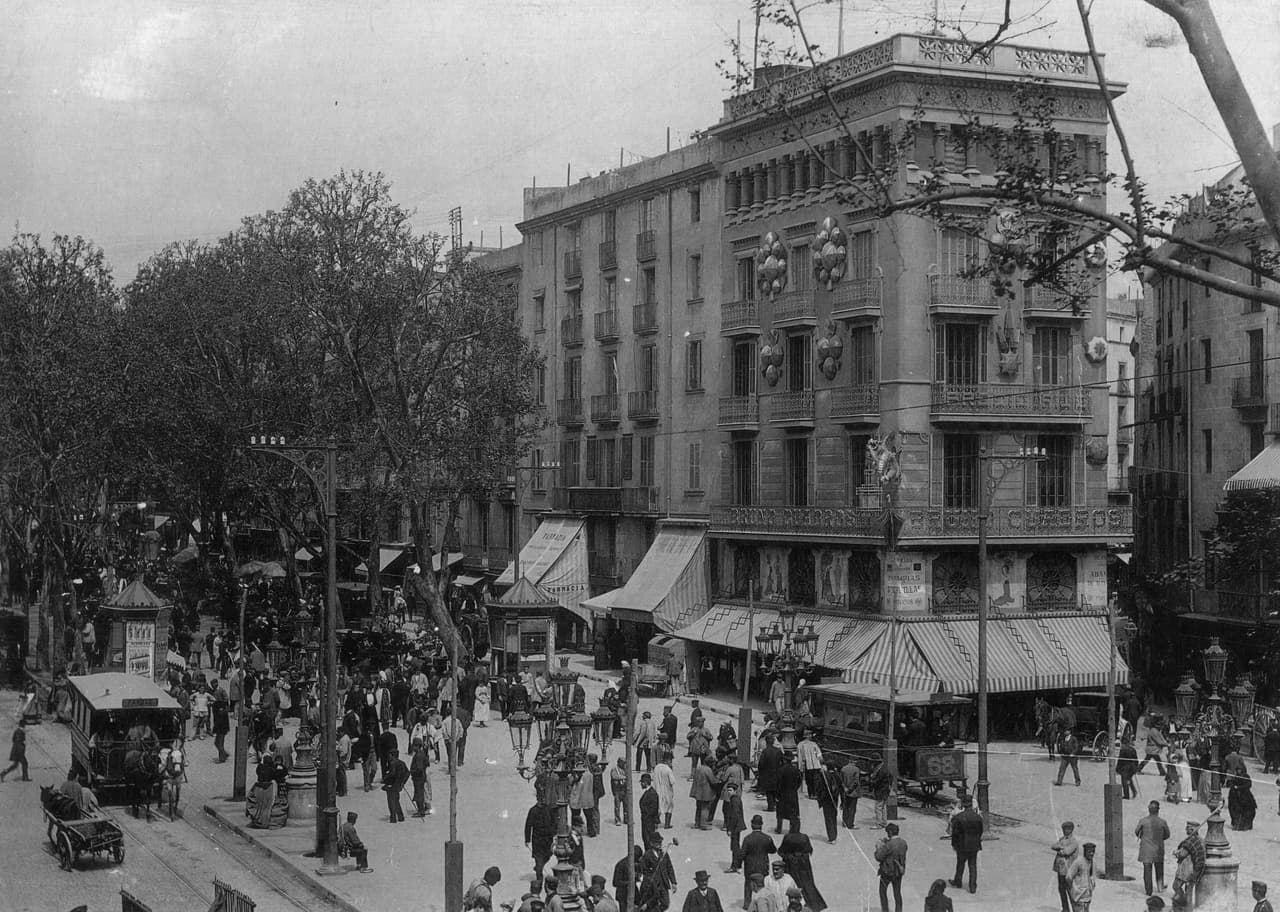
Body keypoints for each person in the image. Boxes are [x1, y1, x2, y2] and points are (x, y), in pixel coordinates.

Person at [778, 826, 825, 912]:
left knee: (791, 883)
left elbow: (781, 851)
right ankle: (812, 904)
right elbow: (809, 850)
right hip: (803, 864)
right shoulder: (804, 837)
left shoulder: (787, 837)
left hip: (790, 864)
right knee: (807, 883)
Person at [740, 815, 777, 910]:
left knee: (748, 884)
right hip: (763, 865)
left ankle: (747, 904)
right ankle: (763, 904)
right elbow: (773, 850)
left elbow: (742, 853)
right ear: (761, 825)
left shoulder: (747, 838)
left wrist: (739, 864)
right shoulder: (767, 838)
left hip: (750, 866)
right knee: (762, 885)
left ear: (752, 824)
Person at [949, 793, 983, 894]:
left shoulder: (958, 817)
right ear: (971, 805)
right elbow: (980, 831)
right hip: (974, 845)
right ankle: (972, 886)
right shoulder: (978, 817)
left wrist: (954, 845)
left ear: (963, 804)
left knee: (960, 863)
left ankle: (958, 881)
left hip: (962, 845)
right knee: (972, 865)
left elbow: (955, 833)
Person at [1135, 800, 1171, 896]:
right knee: (1159, 868)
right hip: (1158, 849)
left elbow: (1136, 831)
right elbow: (1167, 834)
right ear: (1158, 810)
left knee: (1147, 870)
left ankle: (1148, 891)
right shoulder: (1162, 822)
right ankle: (1160, 887)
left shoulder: (1143, 821)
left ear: (1149, 810)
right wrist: (1160, 838)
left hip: (1146, 849)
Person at [873, 822, 907, 912]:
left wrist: (878, 848)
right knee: (897, 893)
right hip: (898, 871)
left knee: (882, 892)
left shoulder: (888, 845)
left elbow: (879, 857)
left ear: (890, 832)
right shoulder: (903, 843)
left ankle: (885, 910)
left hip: (887, 872)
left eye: (888, 833)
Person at [639, 832, 677, 912]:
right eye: (657, 842)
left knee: (666, 903)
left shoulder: (664, 854)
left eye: (660, 842)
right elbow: (643, 870)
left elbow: (669, 868)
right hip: (653, 884)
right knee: (653, 902)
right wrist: (650, 875)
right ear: (651, 843)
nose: (659, 844)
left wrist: (673, 882)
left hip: (663, 883)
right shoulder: (647, 855)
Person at [526, 794, 557, 883]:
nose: (543, 801)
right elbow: (528, 825)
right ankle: (539, 879)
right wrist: (527, 839)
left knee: (548, 855)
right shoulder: (533, 810)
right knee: (538, 858)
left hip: (548, 839)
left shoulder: (549, 809)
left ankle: (539, 866)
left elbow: (554, 822)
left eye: (544, 799)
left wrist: (554, 833)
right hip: (537, 840)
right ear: (538, 799)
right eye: (541, 799)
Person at [1050, 821, 1080, 912]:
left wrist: (1060, 848)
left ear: (1071, 830)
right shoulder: (1062, 839)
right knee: (1061, 889)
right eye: (1064, 829)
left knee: (1070, 891)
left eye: (1067, 829)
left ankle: (1076, 909)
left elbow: (1067, 852)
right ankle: (1065, 909)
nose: (1065, 831)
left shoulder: (1073, 841)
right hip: (1061, 870)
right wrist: (1061, 847)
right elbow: (1053, 846)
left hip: (1069, 870)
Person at [775, 754, 802, 835]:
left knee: (780, 812)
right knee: (793, 812)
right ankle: (793, 829)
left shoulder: (781, 770)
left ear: (784, 760)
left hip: (783, 793)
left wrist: (777, 794)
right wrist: (795, 788)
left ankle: (779, 828)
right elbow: (799, 781)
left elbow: (778, 783)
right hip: (793, 793)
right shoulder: (796, 770)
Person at [1066, 842, 1097, 912]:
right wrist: (1074, 890)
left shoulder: (1093, 862)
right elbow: (1068, 877)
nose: (1092, 854)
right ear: (1085, 852)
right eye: (1089, 852)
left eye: (1093, 852)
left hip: (1088, 897)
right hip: (1079, 897)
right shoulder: (1078, 862)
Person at [756, 734, 783, 812]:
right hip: (777, 773)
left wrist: (760, 772)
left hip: (767, 774)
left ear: (767, 742)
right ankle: (775, 804)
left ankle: (770, 806)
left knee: (769, 791)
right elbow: (782, 762)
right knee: (775, 790)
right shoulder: (778, 751)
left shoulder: (765, 751)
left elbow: (761, 763)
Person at [815, 762, 841, 843]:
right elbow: (841, 787)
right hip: (835, 799)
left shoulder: (824, 775)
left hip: (826, 799)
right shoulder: (837, 775)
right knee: (833, 817)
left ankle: (832, 837)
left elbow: (818, 786)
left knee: (828, 818)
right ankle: (834, 835)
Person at [722, 782, 746, 872]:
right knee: (735, 846)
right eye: (728, 790)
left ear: (735, 791)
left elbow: (734, 816)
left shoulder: (734, 800)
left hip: (735, 827)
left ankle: (734, 866)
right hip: (737, 826)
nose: (728, 792)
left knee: (734, 847)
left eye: (730, 790)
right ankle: (737, 864)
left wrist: (730, 829)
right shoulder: (736, 799)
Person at [382, 747, 409, 822]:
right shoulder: (402, 763)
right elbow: (407, 773)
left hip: (392, 785)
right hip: (398, 785)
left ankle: (393, 818)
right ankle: (400, 817)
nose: (388, 756)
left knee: (391, 802)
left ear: (392, 755)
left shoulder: (393, 763)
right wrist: (403, 782)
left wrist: (385, 778)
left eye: (389, 755)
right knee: (396, 801)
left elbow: (392, 773)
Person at [690, 755, 717, 830]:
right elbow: (712, 781)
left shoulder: (699, 768)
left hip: (697, 791)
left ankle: (697, 823)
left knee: (698, 807)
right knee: (705, 808)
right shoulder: (708, 770)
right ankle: (704, 824)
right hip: (705, 792)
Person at [614, 845, 643, 912]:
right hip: (623, 895)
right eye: (638, 858)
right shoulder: (621, 865)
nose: (639, 860)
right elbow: (615, 882)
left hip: (634, 892)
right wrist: (629, 882)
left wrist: (638, 875)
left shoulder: (637, 864)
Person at [653, 750, 677, 830]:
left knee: (658, 807)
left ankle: (655, 824)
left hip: (657, 790)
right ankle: (667, 824)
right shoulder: (668, 770)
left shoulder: (657, 767)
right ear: (668, 760)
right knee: (669, 807)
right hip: (667, 791)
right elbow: (672, 781)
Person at [410, 738, 433, 816]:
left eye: (414, 746)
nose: (413, 747)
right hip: (421, 777)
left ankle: (421, 811)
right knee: (420, 793)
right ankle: (422, 809)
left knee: (419, 794)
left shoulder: (419, 755)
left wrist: (413, 772)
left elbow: (419, 768)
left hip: (418, 778)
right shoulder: (421, 753)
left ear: (417, 746)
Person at [640, 772, 661, 849]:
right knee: (646, 840)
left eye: (642, 782)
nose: (641, 784)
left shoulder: (652, 793)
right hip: (646, 821)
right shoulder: (648, 792)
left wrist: (646, 814)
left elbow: (653, 809)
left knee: (648, 840)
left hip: (649, 822)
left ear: (645, 782)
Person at [839, 755, 861, 830]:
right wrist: (850, 789)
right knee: (852, 809)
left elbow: (840, 780)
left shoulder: (843, 768)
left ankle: (844, 822)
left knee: (846, 807)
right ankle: (850, 824)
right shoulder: (856, 769)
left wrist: (845, 788)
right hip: (853, 792)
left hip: (845, 792)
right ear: (854, 761)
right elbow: (856, 782)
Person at [869, 759, 893, 828]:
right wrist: (889, 785)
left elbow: (877, 781)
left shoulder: (880, 770)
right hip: (885, 790)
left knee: (878, 807)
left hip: (880, 791)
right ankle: (884, 823)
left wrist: (871, 781)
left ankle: (878, 824)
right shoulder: (885, 768)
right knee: (883, 807)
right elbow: (891, 777)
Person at [611, 757, 629, 826]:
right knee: (617, 806)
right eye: (623, 763)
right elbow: (614, 776)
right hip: (617, 790)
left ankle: (626, 819)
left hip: (624, 789)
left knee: (626, 805)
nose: (624, 764)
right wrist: (623, 777)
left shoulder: (626, 769)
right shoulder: (614, 769)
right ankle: (617, 819)